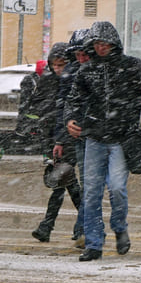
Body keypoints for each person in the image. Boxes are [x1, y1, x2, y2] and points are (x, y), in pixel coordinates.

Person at [64, 21, 141, 261]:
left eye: (105, 43)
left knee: (117, 188)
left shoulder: (131, 66)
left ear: (114, 43)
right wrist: (70, 119)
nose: (101, 48)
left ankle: (119, 227)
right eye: (97, 44)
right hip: (94, 138)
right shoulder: (87, 71)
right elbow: (73, 99)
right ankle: (94, 243)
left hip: (123, 138)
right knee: (91, 192)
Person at [31, 42, 85, 243]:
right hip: (52, 138)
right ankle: (81, 224)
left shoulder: (71, 80)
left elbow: (67, 108)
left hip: (67, 137)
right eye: (54, 65)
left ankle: (49, 225)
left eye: (61, 65)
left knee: (63, 181)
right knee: (65, 182)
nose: (57, 69)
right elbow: (38, 107)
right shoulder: (47, 81)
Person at [52, 29, 92, 248]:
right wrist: (60, 138)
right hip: (80, 136)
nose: (80, 58)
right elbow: (63, 107)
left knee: (102, 186)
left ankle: (87, 229)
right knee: (88, 183)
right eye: (76, 54)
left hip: (102, 135)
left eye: (84, 53)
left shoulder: (104, 71)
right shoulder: (70, 74)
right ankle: (84, 229)